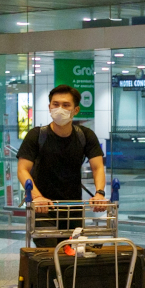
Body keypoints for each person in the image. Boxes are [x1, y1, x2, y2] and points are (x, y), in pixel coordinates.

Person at [17, 85, 108, 246]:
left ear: (76, 110)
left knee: (73, 252)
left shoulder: (85, 136)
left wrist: (99, 193)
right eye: (55, 104)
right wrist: (37, 197)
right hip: (43, 208)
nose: (60, 109)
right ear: (49, 107)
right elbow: (23, 169)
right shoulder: (37, 135)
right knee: (50, 250)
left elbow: (97, 167)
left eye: (66, 105)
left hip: (73, 207)